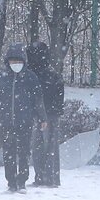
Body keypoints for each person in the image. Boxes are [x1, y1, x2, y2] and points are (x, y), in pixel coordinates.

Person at [0, 45, 46, 193]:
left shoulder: (30, 77)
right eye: (12, 61)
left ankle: (22, 181)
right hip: (6, 122)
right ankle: (11, 181)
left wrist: (42, 117)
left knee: (24, 152)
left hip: (25, 121)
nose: (15, 64)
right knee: (8, 152)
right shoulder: (2, 77)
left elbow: (38, 99)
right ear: (8, 61)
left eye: (18, 61)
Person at [26, 41, 64, 187]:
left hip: (45, 115)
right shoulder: (51, 74)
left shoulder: (34, 75)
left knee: (42, 147)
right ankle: (48, 177)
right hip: (49, 114)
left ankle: (44, 177)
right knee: (47, 148)